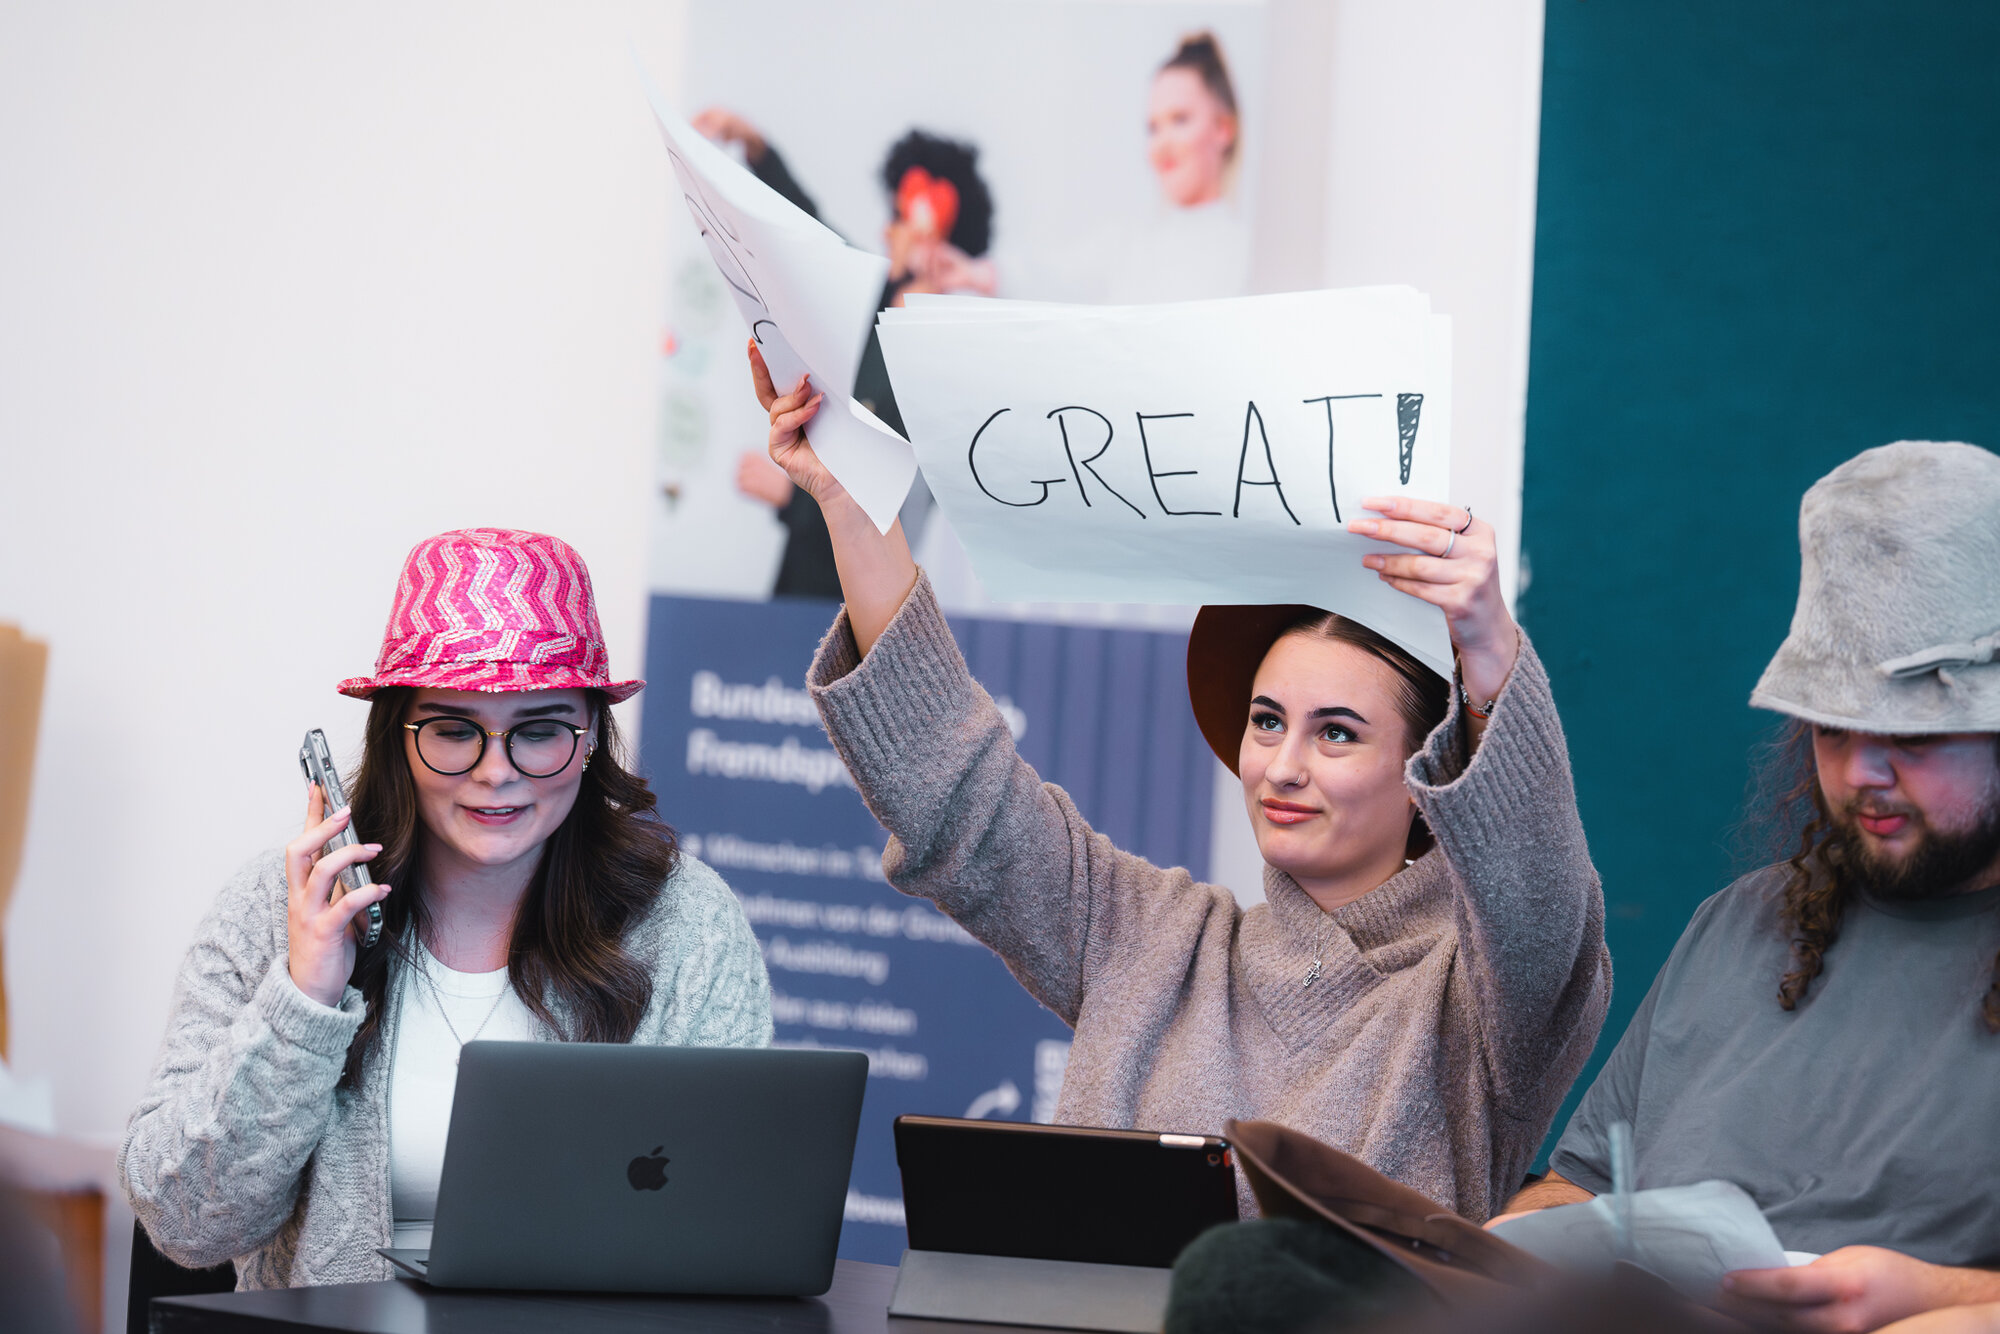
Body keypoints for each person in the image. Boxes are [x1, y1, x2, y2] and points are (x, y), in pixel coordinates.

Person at [747, 345, 1610, 1221]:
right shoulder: (1152, 940)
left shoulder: (1484, 1003)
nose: (1282, 764)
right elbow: (960, 794)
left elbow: (1540, 905)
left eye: (1336, 733)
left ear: (1430, 767)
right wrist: (852, 508)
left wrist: (1488, 648)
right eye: (1266, 720)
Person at [118, 528, 771, 1288]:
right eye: (455, 730)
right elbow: (185, 1226)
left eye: (540, 731)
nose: (496, 773)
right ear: (398, 736)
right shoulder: (276, 907)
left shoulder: (686, 920)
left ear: (592, 735)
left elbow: (736, 1213)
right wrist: (303, 998)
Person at [1495, 442, 2000, 1331]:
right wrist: (1506, 1250)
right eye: (1833, 731)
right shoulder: (1745, 922)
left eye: (1912, 739)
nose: (1863, 774)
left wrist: (1942, 1297)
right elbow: (1581, 1186)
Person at [695, 111, 996, 599]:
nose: (887, 231)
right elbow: (807, 230)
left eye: (903, 218)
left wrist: (792, 498)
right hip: (802, 574)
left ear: (935, 233)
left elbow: (900, 503)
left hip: (866, 591)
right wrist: (755, 146)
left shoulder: (950, 355)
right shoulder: (867, 300)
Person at [1103, 32, 1251, 304]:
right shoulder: (1131, 254)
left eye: (1180, 119)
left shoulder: (1251, 258)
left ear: (1223, 128)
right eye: (1153, 128)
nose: (1161, 144)